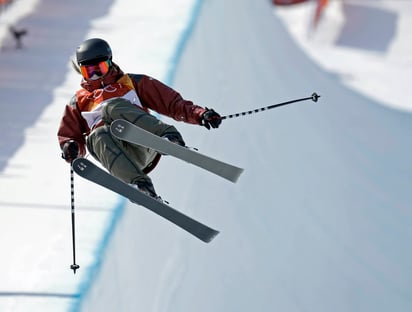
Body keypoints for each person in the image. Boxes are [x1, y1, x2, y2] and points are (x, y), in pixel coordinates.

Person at [58, 38, 222, 199]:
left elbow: (172, 104)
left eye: (99, 69)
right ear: (81, 71)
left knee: (111, 107)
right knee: (97, 135)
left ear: (109, 62)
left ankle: (167, 139)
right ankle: (139, 186)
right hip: (123, 160)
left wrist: (200, 114)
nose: (95, 76)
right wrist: (71, 148)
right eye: (89, 72)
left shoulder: (132, 82)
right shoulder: (78, 102)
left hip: (146, 143)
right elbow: (69, 136)